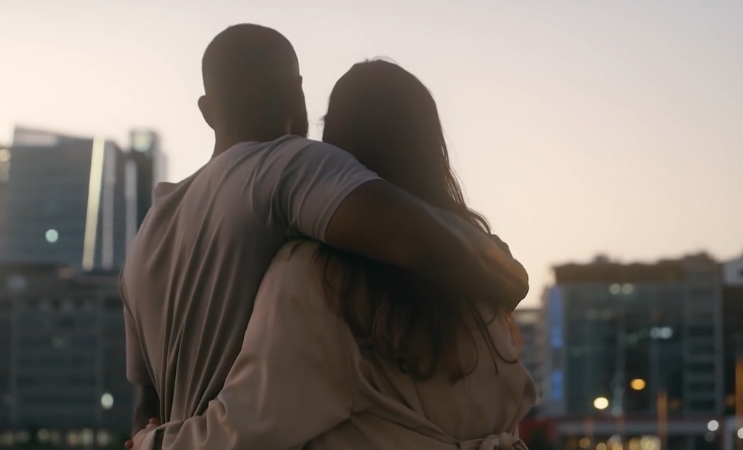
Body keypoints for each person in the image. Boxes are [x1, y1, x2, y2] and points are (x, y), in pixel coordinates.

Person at [122, 24, 529, 445]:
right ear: (296, 92)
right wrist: (505, 273)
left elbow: (146, 406)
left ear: (207, 110)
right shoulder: (290, 168)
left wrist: (147, 442)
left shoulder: (147, 236)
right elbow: (414, 237)